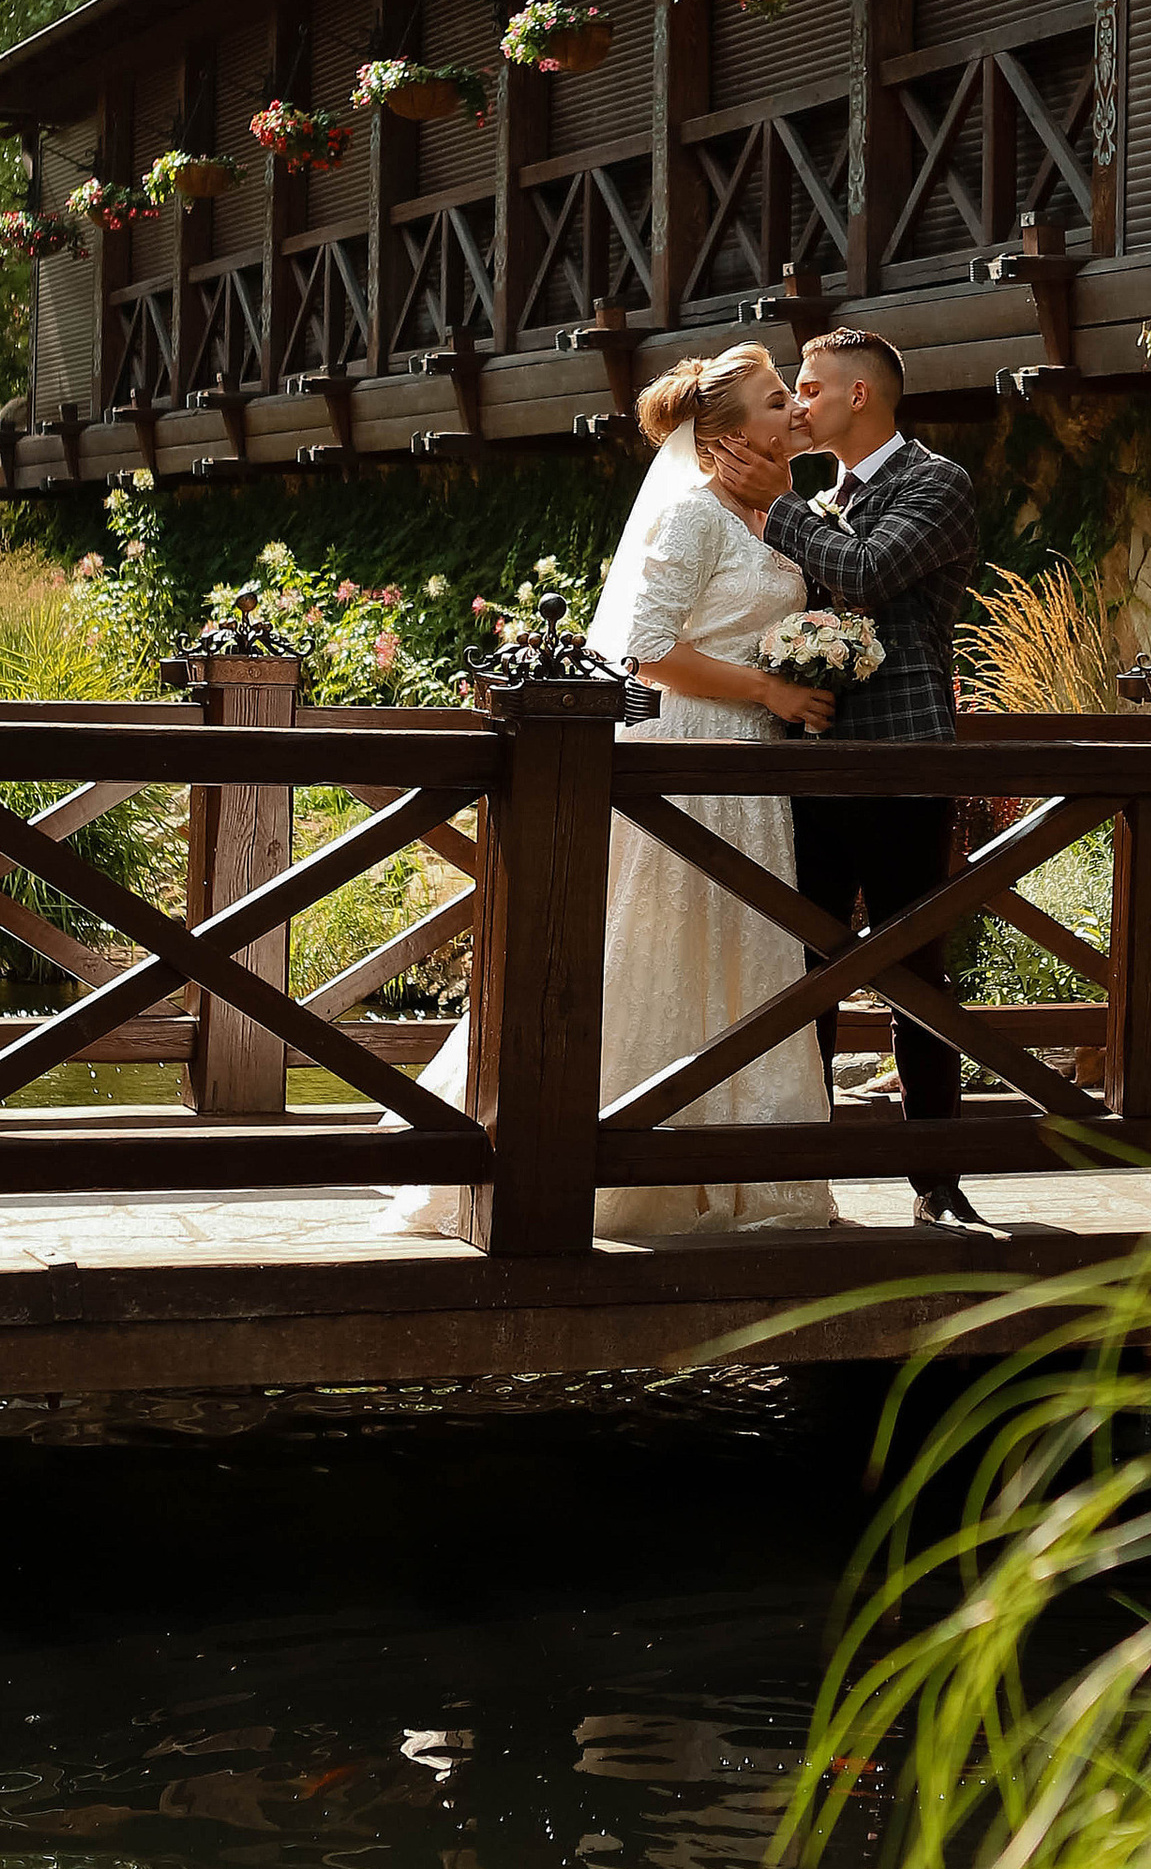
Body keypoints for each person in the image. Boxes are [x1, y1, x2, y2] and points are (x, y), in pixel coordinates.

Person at [382, 342, 838, 1243]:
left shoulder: (780, 520)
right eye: (776, 396)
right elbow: (644, 651)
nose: (794, 407)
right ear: (726, 436)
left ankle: (746, 1175)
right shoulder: (694, 520)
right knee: (657, 939)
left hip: (755, 773)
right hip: (690, 751)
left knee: (745, 945)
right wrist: (771, 690)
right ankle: (609, 1153)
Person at [708, 325, 986, 1229]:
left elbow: (865, 575)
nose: (799, 404)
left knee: (916, 971)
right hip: (810, 761)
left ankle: (938, 1182)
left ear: (859, 396)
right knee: (807, 969)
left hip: (903, 760)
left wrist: (780, 507)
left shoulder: (934, 483)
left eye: (812, 389)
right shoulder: (825, 495)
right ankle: (807, 1180)